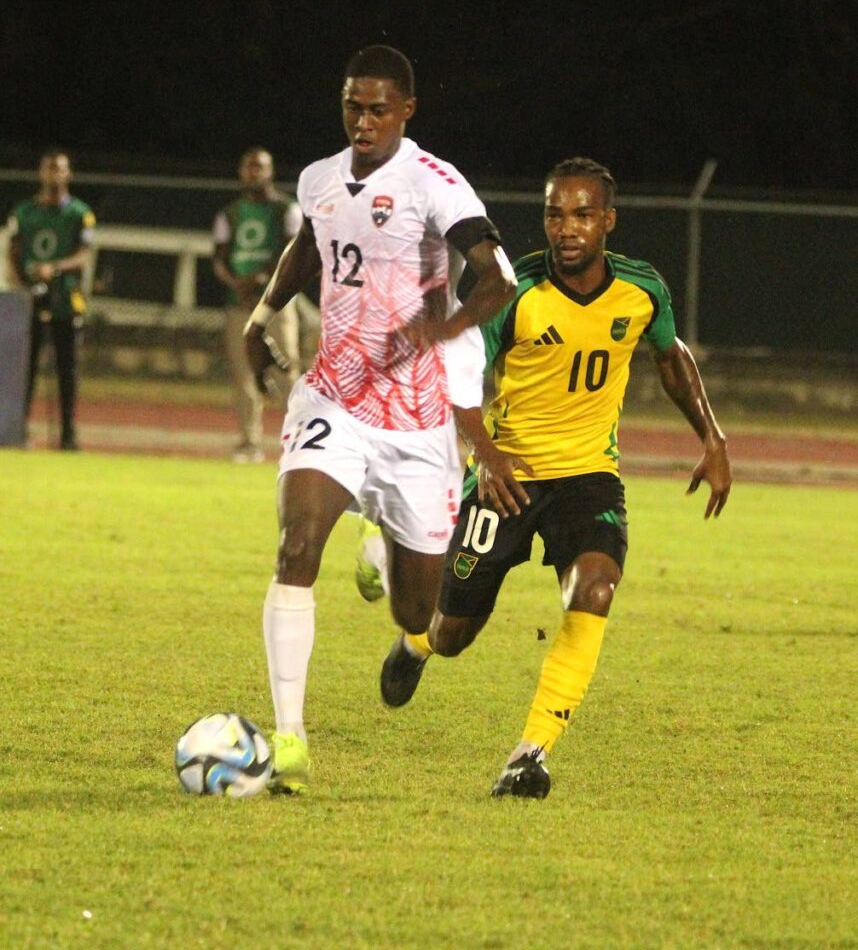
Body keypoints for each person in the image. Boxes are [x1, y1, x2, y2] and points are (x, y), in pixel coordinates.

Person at [370, 156, 732, 799]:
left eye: (583, 214)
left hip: (589, 477)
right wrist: (485, 452)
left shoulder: (643, 289)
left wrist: (712, 436)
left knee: (594, 590)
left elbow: (671, 359)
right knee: (455, 634)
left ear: (608, 222)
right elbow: (455, 374)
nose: (568, 227)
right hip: (506, 479)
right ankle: (419, 641)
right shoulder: (512, 291)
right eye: (556, 213)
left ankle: (528, 753)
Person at [242, 45, 517, 793]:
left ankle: (403, 617)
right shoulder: (318, 179)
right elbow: (310, 244)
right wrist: (262, 314)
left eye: (377, 109)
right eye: (351, 107)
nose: (362, 122)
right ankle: (289, 739)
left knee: (418, 606)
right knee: (296, 546)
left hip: (419, 425)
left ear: (406, 111)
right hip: (335, 397)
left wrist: (442, 328)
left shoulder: (435, 182)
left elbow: (497, 280)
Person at [212, 147, 317, 463]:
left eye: (260, 167)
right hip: (239, 303)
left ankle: (301, 440)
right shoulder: (229, 213)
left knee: (287, 366)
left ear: (270, 171)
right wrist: (236, 283)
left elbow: (293, 252)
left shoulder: (286, 208)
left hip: (277, 303)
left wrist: (258, 279)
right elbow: (219, 256)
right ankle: (249, 442)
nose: (253, 173)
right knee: (243, 373)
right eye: (249, 167)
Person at [6, 150, 95, 451]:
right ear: (40, 172)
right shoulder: (23, 212)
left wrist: (55, 268)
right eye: (49, 168)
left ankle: (68, 433)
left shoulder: (80, 213)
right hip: (30, 301)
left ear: (68, 174)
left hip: (66, 299)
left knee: (67, 367)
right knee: (24, 368)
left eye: (60, 169)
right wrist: (24, 286)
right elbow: (13, 254)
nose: (54, 174)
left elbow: (84, 254)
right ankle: (18, 429)